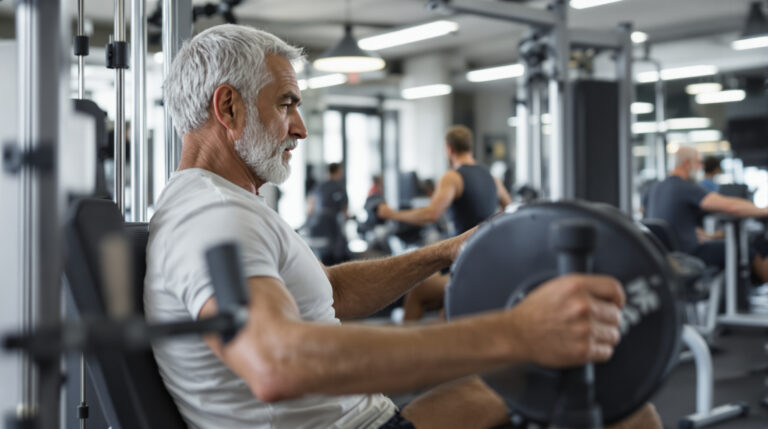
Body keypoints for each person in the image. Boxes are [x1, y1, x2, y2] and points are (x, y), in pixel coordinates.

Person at [145, 24, 659, 429]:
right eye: (287, 104)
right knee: (617, 403)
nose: (299, 127)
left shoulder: (228, 205)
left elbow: (331, 291)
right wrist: (520, 332)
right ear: (228, 107)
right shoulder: (212, 216)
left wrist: (445, 252)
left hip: (369, 415)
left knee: (536, 386)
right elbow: (278, 362)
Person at [376, 125, 513, 320]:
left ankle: (406, 349)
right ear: (470, 147)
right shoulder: (493, 178)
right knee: (443, 311)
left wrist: (391, 214)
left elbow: (431, 214)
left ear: (449, 149)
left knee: (417, 292)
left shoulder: (453, 177)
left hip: (466, 267)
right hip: (488, 264)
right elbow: (511, 211)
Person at [645, 146, 768, 281]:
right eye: (699, 162)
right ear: (687, 163)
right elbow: (731, 207)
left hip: (666, 255)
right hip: (688, 255)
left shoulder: (655, 188)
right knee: (743, 249)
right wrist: (763, 210)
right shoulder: (686, 187)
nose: (701, 167)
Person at [306, 163, 350, 264]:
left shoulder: (318, 186)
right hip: (332, 227)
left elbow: (310, 209)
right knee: (339, 255)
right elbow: (345, 211)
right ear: (338, 172)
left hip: (316, 226)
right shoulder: (340, 187)